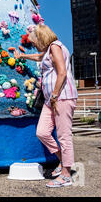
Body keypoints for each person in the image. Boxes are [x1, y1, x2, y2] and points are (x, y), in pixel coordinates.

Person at [14, 24, 78, 188]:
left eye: (34, 41)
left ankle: (66, 175)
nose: (34, 44)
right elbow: (38, 56)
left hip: (61, 97)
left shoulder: (55, 47)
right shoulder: (49, 50)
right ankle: (63, 161)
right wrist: (22, 56)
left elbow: (62, 72)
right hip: (51, 100)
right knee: (42, 132)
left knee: (64, 136)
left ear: (41, 38)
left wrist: (55, 95)